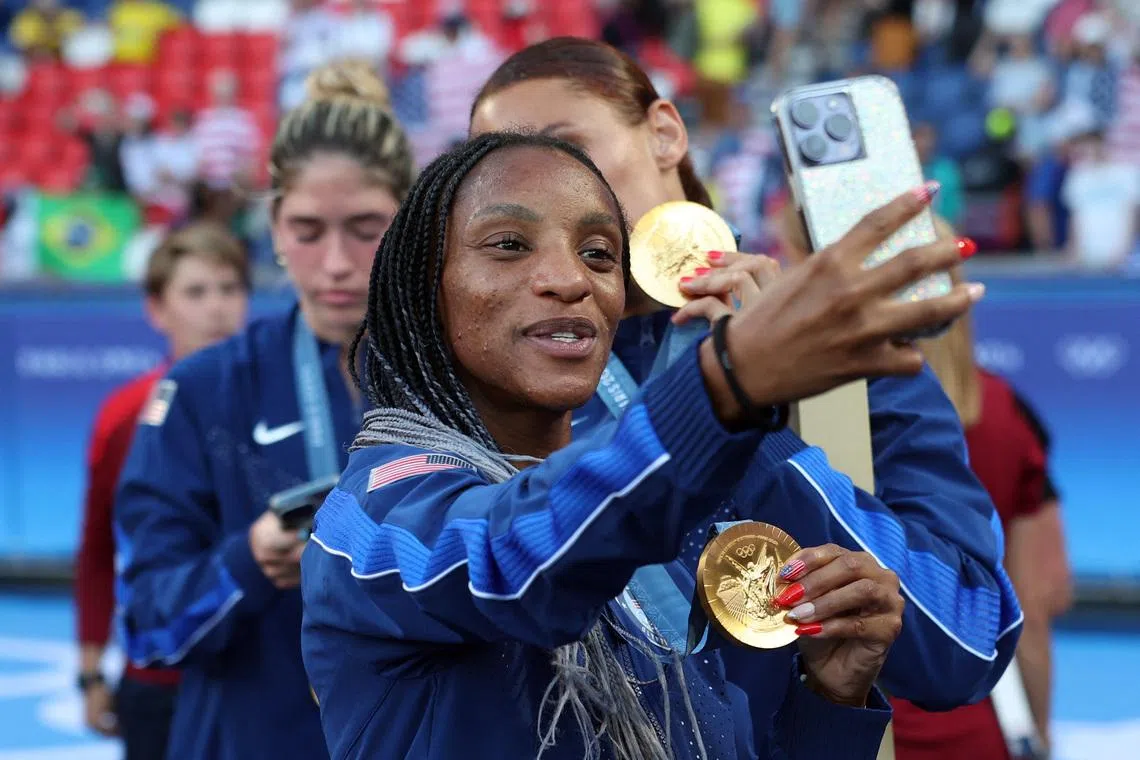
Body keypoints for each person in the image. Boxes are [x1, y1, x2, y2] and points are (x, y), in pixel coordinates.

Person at [301, 130, 981, 759]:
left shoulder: (653, 542)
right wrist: (728, 380)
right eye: (509, 244)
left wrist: (832, 698)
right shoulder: (372, 520)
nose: (571, 280)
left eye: (599, 253)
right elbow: (510, 557)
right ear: (425, 287)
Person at [469, 38, 1023, 717]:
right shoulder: (487, 374)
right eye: (504, 172)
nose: (544, 191)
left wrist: (752, 403)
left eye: (567, 148)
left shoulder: (841, 345)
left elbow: (965, 646)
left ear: (665, 133)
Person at [113, 62, 414, 760]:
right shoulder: (205, 389)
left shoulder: (470, 375)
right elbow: (148, 630)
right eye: (308, 230)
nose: (336, 263)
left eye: (365, 228)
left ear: (408, 222)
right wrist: (247, 561)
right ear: (274, 227)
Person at [888, 225, 1073, 760]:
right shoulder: (1005, 414)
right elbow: (1040, 599)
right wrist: (1040, 735)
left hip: (845, 723)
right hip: (973, 725)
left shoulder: (808, 407)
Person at [75, 222, 249, 760]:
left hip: (267, 676)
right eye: (196, 292)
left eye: (229, 289)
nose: (216, 307)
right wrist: (89, 673)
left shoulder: (286, 402)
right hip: (160, 681)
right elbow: (98, 549)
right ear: (157, 309)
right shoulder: (126, 415)